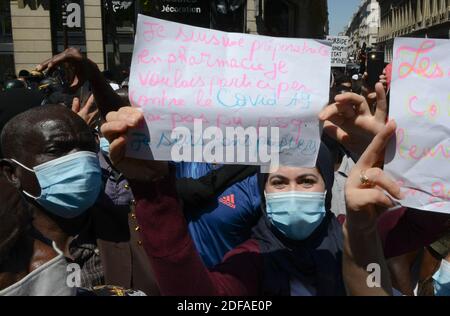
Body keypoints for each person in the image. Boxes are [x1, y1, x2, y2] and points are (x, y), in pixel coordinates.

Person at [100, 106, 404, 296]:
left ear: (328, 186)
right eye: (279, 182)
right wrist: (153, 192)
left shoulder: (357, 233)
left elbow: (426, 220)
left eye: (307, 181)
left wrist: (395, 153)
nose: (292, 191)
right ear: (263, 193)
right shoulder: (251, 258)